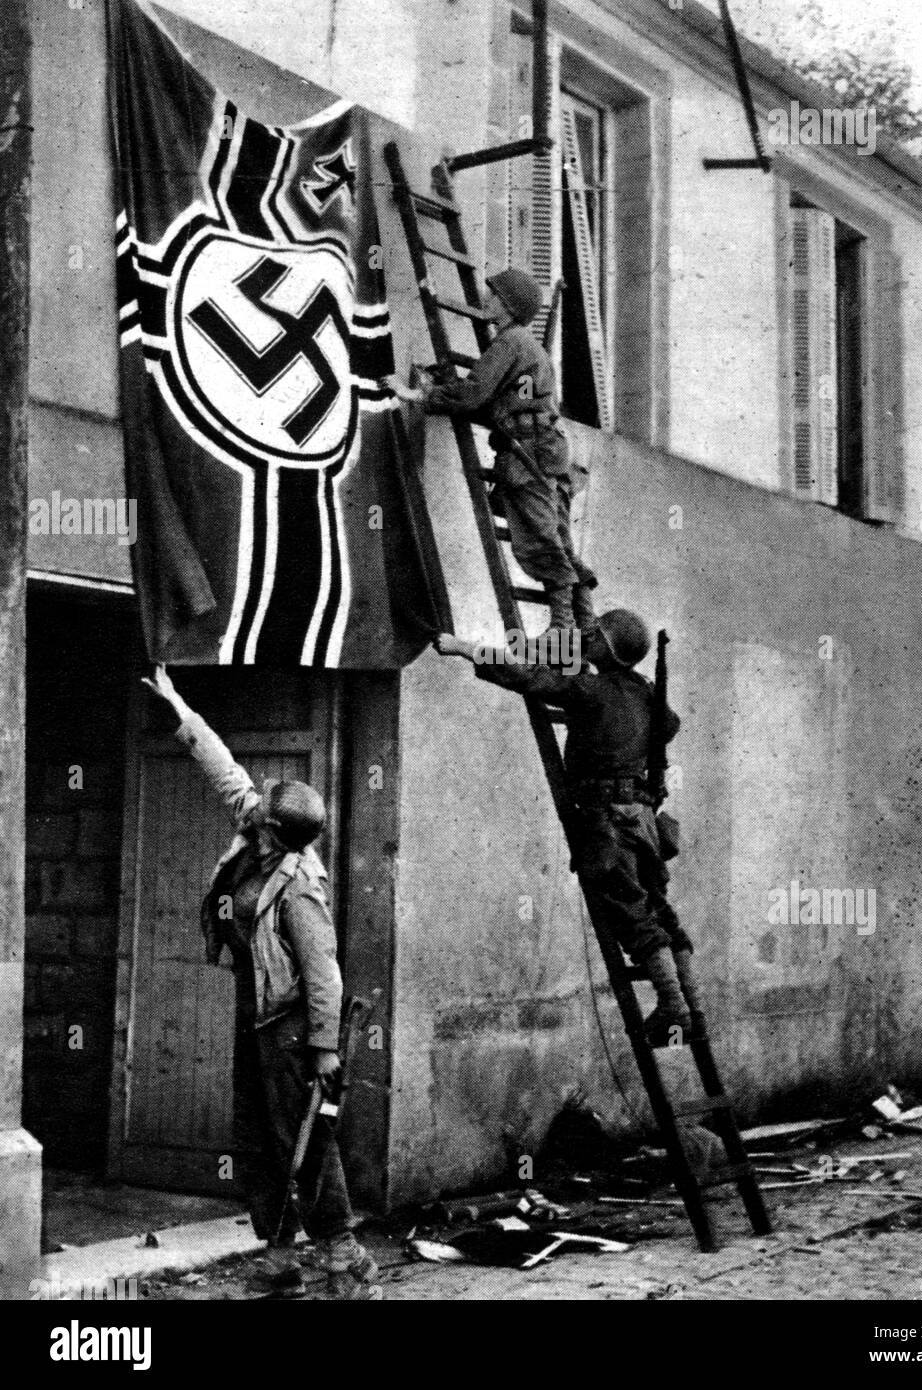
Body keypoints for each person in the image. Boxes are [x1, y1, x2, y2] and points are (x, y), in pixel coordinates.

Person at [141, 665, 381, 1300]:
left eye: (262, 809)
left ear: (275, 831)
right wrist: (181, 711)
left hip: (295, 1024)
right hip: (257, 1007)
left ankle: (340, 1249)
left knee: (303, 1136)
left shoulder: (299, 887)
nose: (252, 805)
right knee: (254, 1134)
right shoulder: (260, 836)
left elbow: (323, 972)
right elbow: (227, 775)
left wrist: (325, 1047)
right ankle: (278, 1252)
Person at [434, 611, 707, 1045]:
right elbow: (668, 726)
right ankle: (693, 1008)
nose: (588, 640)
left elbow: (527, 676)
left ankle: (673, 1006)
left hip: (606, 819)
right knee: (660, 909)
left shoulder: (591, 690)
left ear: (609, 649)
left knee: (631, 913)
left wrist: (465, 648)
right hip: (644, 818)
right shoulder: (645, 693)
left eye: (595, 636)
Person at [385, 267, 596, 647]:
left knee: (539, 538)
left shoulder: (509, 344)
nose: (488, 300)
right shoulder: (524, 347)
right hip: (547, 452)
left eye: (495, 295)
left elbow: (473, 395)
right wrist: (441, 393)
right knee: (557, 537)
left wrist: (417, 395)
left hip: (531, 454)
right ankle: (586, 624)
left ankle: (564, 627)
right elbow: (493, 406)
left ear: (509, 306)